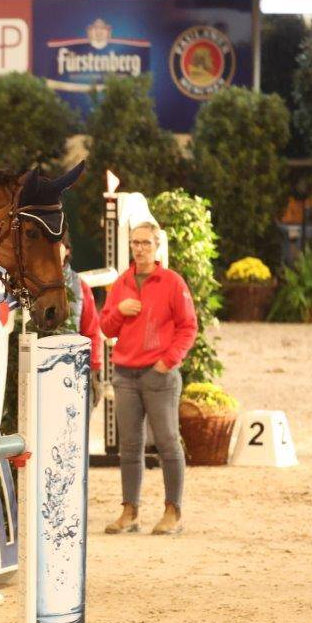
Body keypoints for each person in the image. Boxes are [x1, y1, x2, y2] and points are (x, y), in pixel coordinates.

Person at [100, 222, 198, 535]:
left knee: (168, 442)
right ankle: (130, 512)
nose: (139, 248)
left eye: (145, 243)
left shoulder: (172, 282)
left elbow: (188, 326)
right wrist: (120, 311)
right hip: (125, 375)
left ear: (157, 246)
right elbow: (106, 327)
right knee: (129, 446)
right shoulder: (121, 283)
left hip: (159, 376)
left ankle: (173, 511)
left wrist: (168, 361)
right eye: (135, 243)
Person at [59, 231, 103, 410]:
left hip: (74, 369)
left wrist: (95, 370)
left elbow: (92, 330)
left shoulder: (79, 285)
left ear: (67, 250)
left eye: (57, 244)